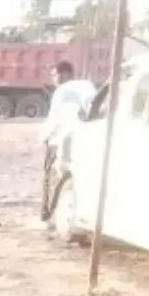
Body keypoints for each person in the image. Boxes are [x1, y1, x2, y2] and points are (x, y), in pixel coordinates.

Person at [40, 60, 97, 221]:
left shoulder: (62, 91)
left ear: (65, 74)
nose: (53, 79)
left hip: (60, 140)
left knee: (50, 177)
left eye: (55, 75)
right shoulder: (88, 86)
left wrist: (45, 137)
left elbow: (55, 118)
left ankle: (47, 215)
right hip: (84, 138)